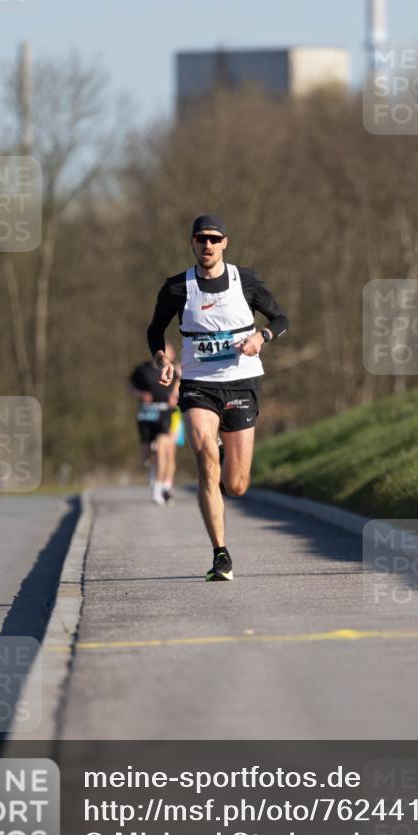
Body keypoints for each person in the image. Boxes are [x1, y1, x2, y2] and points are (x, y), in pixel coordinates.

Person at [147, 213, 288, 580]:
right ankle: (220, 555)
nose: (206, 245)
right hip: (198, 385)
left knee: (237, 485)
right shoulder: (177, 287)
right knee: (204, 454)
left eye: (213, 239)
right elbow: (154, 331)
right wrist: (162, 358)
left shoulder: (247, 281)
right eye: (200, 239)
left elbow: (280, 319)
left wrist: (261, 338)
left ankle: (225, 460)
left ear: (225, 242)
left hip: (241, 384)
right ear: (192, 243)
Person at [128, 343, 180, 505]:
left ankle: (162, 487)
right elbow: (129, 384)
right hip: (146, 413)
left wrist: (175, 395)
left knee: (166, 449)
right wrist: (139, 394)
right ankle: (153, 466)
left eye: (169, 351)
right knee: (147, 456)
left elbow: (181, 384)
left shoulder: (176, 371)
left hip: (167, 413)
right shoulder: (142, 369)